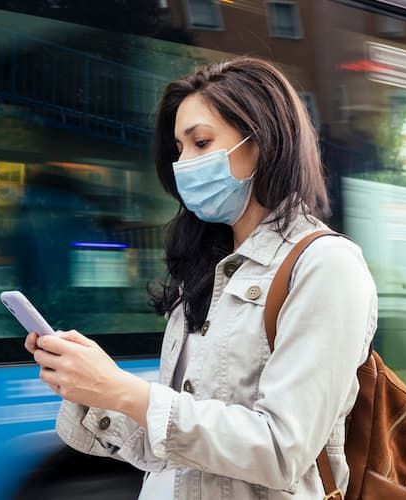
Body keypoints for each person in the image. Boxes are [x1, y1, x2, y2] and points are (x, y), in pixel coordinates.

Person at [24, 56, 377, 499]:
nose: (184, 163)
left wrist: (128, 392)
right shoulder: (207, 271)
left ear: (261, 142)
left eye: (201, 143)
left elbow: (281, 450)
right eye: (179, 149)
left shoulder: (326, 266)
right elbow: (173, 452)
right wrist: (96, 388)